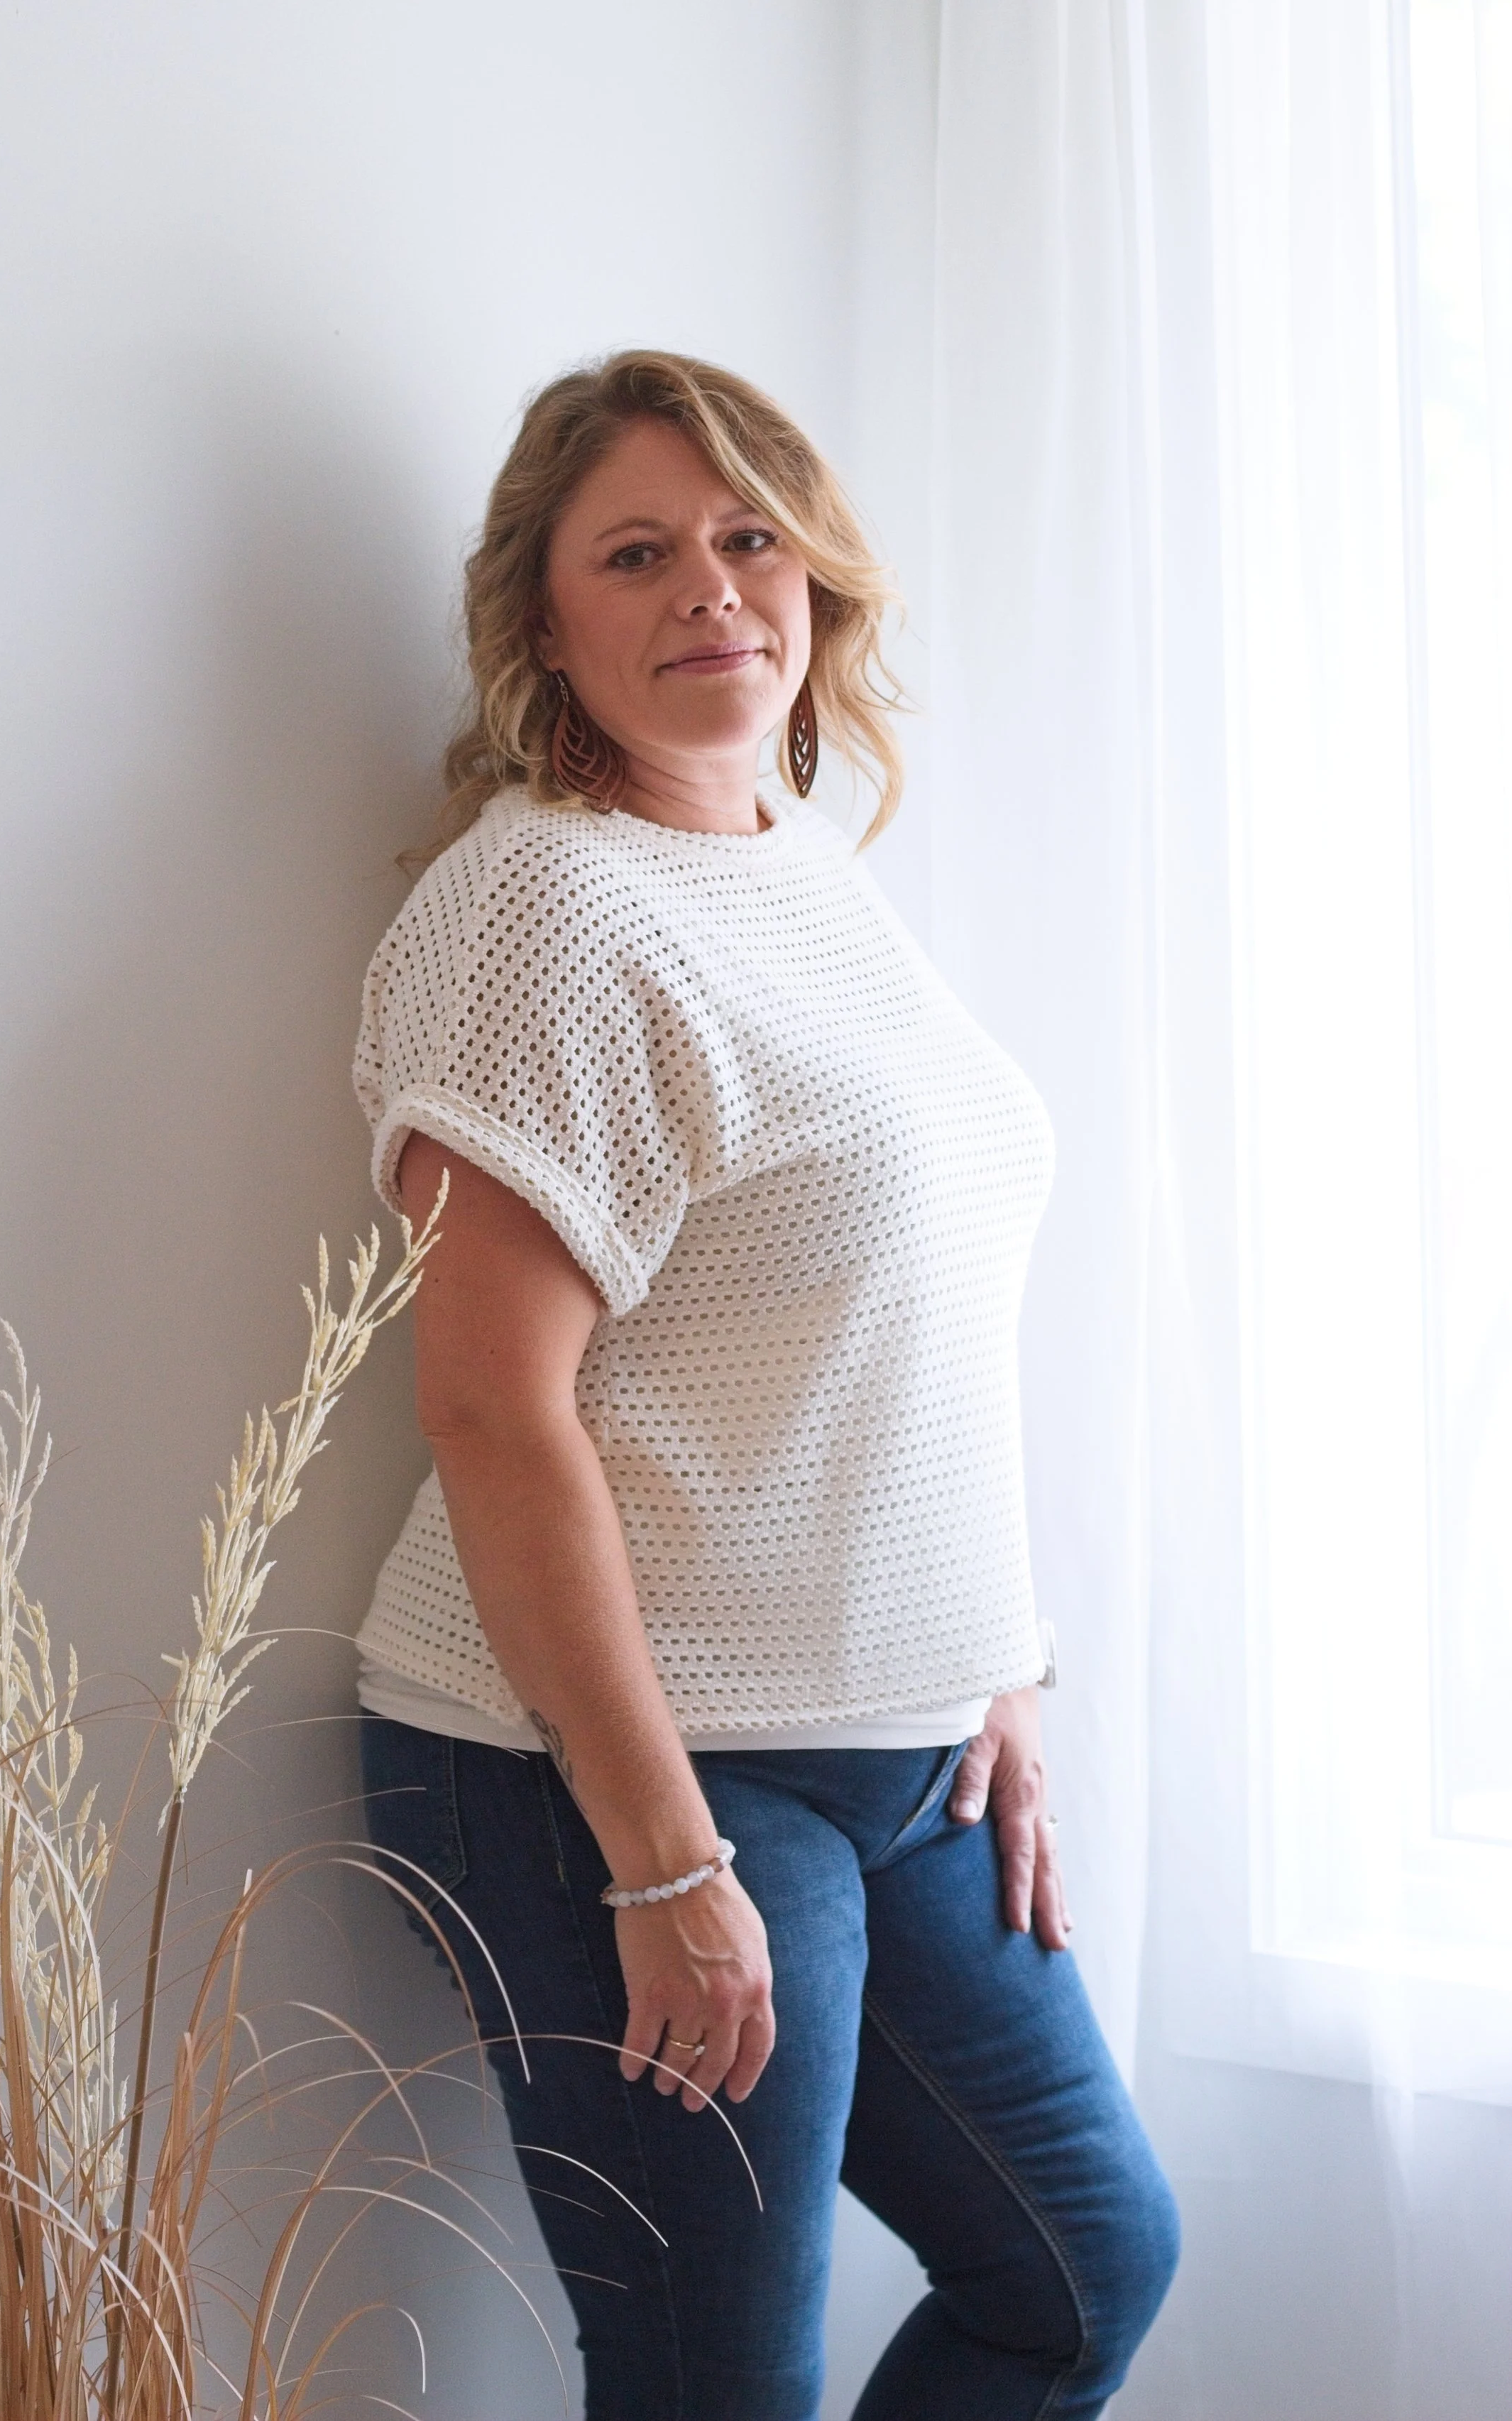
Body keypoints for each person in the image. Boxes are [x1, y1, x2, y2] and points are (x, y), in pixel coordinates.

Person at [355, 350, 1178, 2420]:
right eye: (635, 552)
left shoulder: (798, 866)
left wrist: (984, 1659)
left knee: (1080, 2267)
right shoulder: (541, 904)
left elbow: (875, 1314)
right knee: (717, 2383)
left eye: (747, 539)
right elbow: (490, 1412)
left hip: (900, 1760)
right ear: (544, 623)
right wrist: (657, 1859)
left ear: (813, 582)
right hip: (614, 1769)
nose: (710, 589)